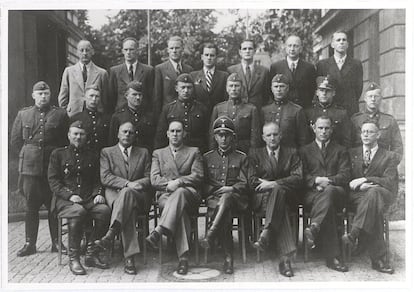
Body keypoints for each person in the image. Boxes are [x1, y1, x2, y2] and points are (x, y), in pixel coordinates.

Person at [10, 81, 69, 257]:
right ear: (33, 95)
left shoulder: (60, 114)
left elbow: (65, 141)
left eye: (46, 93)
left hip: (52, 169)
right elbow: (15, 141)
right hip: (30, 170)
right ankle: (30, 243)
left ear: (50, 95)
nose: (43, 96)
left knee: (53, 207)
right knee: (31, 206)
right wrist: (29, 155)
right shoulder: (24, 114)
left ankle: (56, 242)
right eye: (40, 93)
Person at [48, 121, 111, 275]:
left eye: (81, 134)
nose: (78, 137)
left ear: (86, 137)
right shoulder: (58, 154)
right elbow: (53, 181)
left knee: (104, 211)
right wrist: (70, 195)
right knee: (78, 212)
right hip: (65, 200)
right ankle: (74, 258)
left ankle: (91, 253)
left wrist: (98, 193)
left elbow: (97, 179)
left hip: (88, 198)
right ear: (69, 136)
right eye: (75, 134)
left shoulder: (92, 155)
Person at [146, 120, 204, 275]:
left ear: (184, 134)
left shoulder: (194, 151)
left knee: (180, 193)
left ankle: (159, 230)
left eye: (178, 131)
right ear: (167, 134)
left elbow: (198, 176)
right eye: (172, 131)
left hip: (189, 194)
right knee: (181, 213)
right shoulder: (158, 153)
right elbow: (154, 179)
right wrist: (169, 184)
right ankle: (183, 258)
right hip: (166, 195)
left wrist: (179, 182)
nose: (175, 134)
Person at [95, 122, 153, 275]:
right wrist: (128, 184)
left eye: (131, 132)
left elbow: (149, 178)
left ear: (135, 136)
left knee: (128, 195)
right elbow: (105, 177)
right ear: (118, 134)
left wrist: (135, 185)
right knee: (129, 209)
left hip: (138, 195)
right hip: (114, 194)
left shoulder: (143, 153)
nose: (127, 135)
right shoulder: (106, 152)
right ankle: (130, 258)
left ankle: (111, 233)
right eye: (124, 132)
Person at [343, 120, 398, 274]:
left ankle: (354, 234)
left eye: (370, 132)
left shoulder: (389, 156)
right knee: (375, 208)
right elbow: (345, 177)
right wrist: (360, 186)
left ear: (378, 134)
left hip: (381, 193)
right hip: (357, 196)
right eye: (363, 132)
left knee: (374, 195)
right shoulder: (352, 153)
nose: (366, 134)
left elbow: (389, 182)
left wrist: (366, 180)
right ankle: (378, 259)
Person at [249, 122, 303, 277]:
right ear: (263, 137)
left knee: (280, 197)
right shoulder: (255, 154)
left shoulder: (292, 153)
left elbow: (298, 178)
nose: (272, 138)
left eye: (275, 134)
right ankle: (285, 260)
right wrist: (278, 185)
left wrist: (274, 184)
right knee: (281, 207)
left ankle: (267, 232)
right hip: (263, 200)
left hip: (287, 199)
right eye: (269, 135)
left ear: (281, 135)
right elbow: (251, 180)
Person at [300, 116, 350, 272]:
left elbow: (345, 175)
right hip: (312, 194)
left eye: (327, 128)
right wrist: (316, 181)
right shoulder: (304, 150)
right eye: (320, 128)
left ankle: (314, 227)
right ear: (313, 128)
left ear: (332, 130)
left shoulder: (341, 150)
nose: (323, 131)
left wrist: (327, 181)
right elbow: (301, 175)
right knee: (327, 208)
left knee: (328, 193)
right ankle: (332, 257)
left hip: (336, 192)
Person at [201, 116, 249, 274]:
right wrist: (214, 191)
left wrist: (231, 189)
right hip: (215, 199)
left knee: (227, 200)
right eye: (220, 135)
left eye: (227, 135)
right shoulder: (207, 158)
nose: (223, 139)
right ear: (215, 137)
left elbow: (245, 182)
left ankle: (211, 233)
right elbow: (203, 183)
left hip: (236, 199)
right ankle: (228, 258)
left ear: (232, 137)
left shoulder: (241, 157)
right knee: (225, 208)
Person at [154, 73, 208, 151]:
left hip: (197, 151)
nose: (186, 91)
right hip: (174, 152)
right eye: (183, 87)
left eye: (189, 87)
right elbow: (160, 136)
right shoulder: (168, 109)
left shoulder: (202, 109)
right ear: (176, 88)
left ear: (193, 89)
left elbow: (206, 135)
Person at [351, 82, 403, 162]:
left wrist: (390, 163)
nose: (373, 99)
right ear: (365, 98)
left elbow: (397, 147)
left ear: (381, 98)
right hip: (359, 165)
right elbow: (349, 144)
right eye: (370, 96)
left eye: (376, 96)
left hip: (383, 164)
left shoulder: (389, 120)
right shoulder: (355, 120)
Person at [209, 73, 260, 154]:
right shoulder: (218, 108)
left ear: (242, 88)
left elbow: (255, 137)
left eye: (236, 86)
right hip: (223, 150)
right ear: (226, 88)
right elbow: (212, 135)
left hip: (244, 150)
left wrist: (253, 154)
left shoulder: (251, 109)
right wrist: (213, 153)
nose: (233, 89)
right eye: (231, 86)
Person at [316, 31, 363, 116]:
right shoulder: (322, 64)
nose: (341, 42)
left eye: (344, 40)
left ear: (347, 44)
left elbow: (358, 89)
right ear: (332, 44)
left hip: (350, 109)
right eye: (338, 40)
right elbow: (319, 88)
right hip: (330, 109)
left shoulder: (356, 64)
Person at [58, 40, 108, 117]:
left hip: (95, 115)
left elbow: (105, 98)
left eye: (87, 50)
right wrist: (66, 112)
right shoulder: (69, 71)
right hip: (74, 114)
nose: (84, 53)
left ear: (92, 52)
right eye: (81, 50)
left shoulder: (101, 73)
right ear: (77, 52)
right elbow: (63, 96)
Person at [261, 74, 310, 148]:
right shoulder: (265, 110)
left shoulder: (297, 110)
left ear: (287, 88)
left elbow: (303, 138)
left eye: (282, 86)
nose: (278, 89)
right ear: (271, 89)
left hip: (290, 152)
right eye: (276, 86)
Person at [108, 37, 154, 113]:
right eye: (126, 50)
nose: (128, 52)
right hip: (121, 114)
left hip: (142, 114)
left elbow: (151, 96)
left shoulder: (148, 71)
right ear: (122, 51)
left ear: (137, 51)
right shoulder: (115, 71)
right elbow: (111, 97)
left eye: (131, 49)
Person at [270, 35, 316, 108]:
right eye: (289, 46)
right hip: (283, 108)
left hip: (304, 108)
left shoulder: (309, 67)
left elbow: (312, 89)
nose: (292, 49)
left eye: (295, 46)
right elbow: (271, 91)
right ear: (285, 48)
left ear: (300, 49)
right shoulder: (276, 67)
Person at [305, 76, 352, 148]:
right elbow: (304, 138)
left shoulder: (342, 113)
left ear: (333, 93)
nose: (324, 93)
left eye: (328, 91)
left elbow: (346, 140)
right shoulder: (308, 112)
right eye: (321, 90)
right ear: (317, 92)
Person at [108, 81, 155, 150]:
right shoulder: (118, 116)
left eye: (140, 95)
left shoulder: (149, 115)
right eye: (134, 94)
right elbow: (112, 141)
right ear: (126, 96)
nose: (138, 97)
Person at [154, 36, 193, 116]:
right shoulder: (160, 69)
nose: (174, 51)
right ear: (168, 50)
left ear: (182, 50)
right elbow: (157, 97)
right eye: (171, 48)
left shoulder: (189, 69)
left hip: (185, 114)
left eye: (177, 48)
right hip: (168, 114)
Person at [227, 39, 270, 110]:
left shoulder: (264, 71)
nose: (247, 51)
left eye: (250, 48)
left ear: (254, 51)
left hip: (257, 112)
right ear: (240, 52)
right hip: (238, 112)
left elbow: (266, 96)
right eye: (244, 49)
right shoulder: (231, 70)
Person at [190, 42, 229, 114]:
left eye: (212, 55)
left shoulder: (224, 76)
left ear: (216, 58)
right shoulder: (193, 76)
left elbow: (226, 99)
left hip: (218, 115)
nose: (209, 58)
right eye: (206, 55)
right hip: (198, 116)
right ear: (202, 57)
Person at [70, 85, 111, 152]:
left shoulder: (106, 119)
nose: (94, 99)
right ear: (84, 98)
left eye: (97, 96)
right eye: (91, 96)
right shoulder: (76, 118)